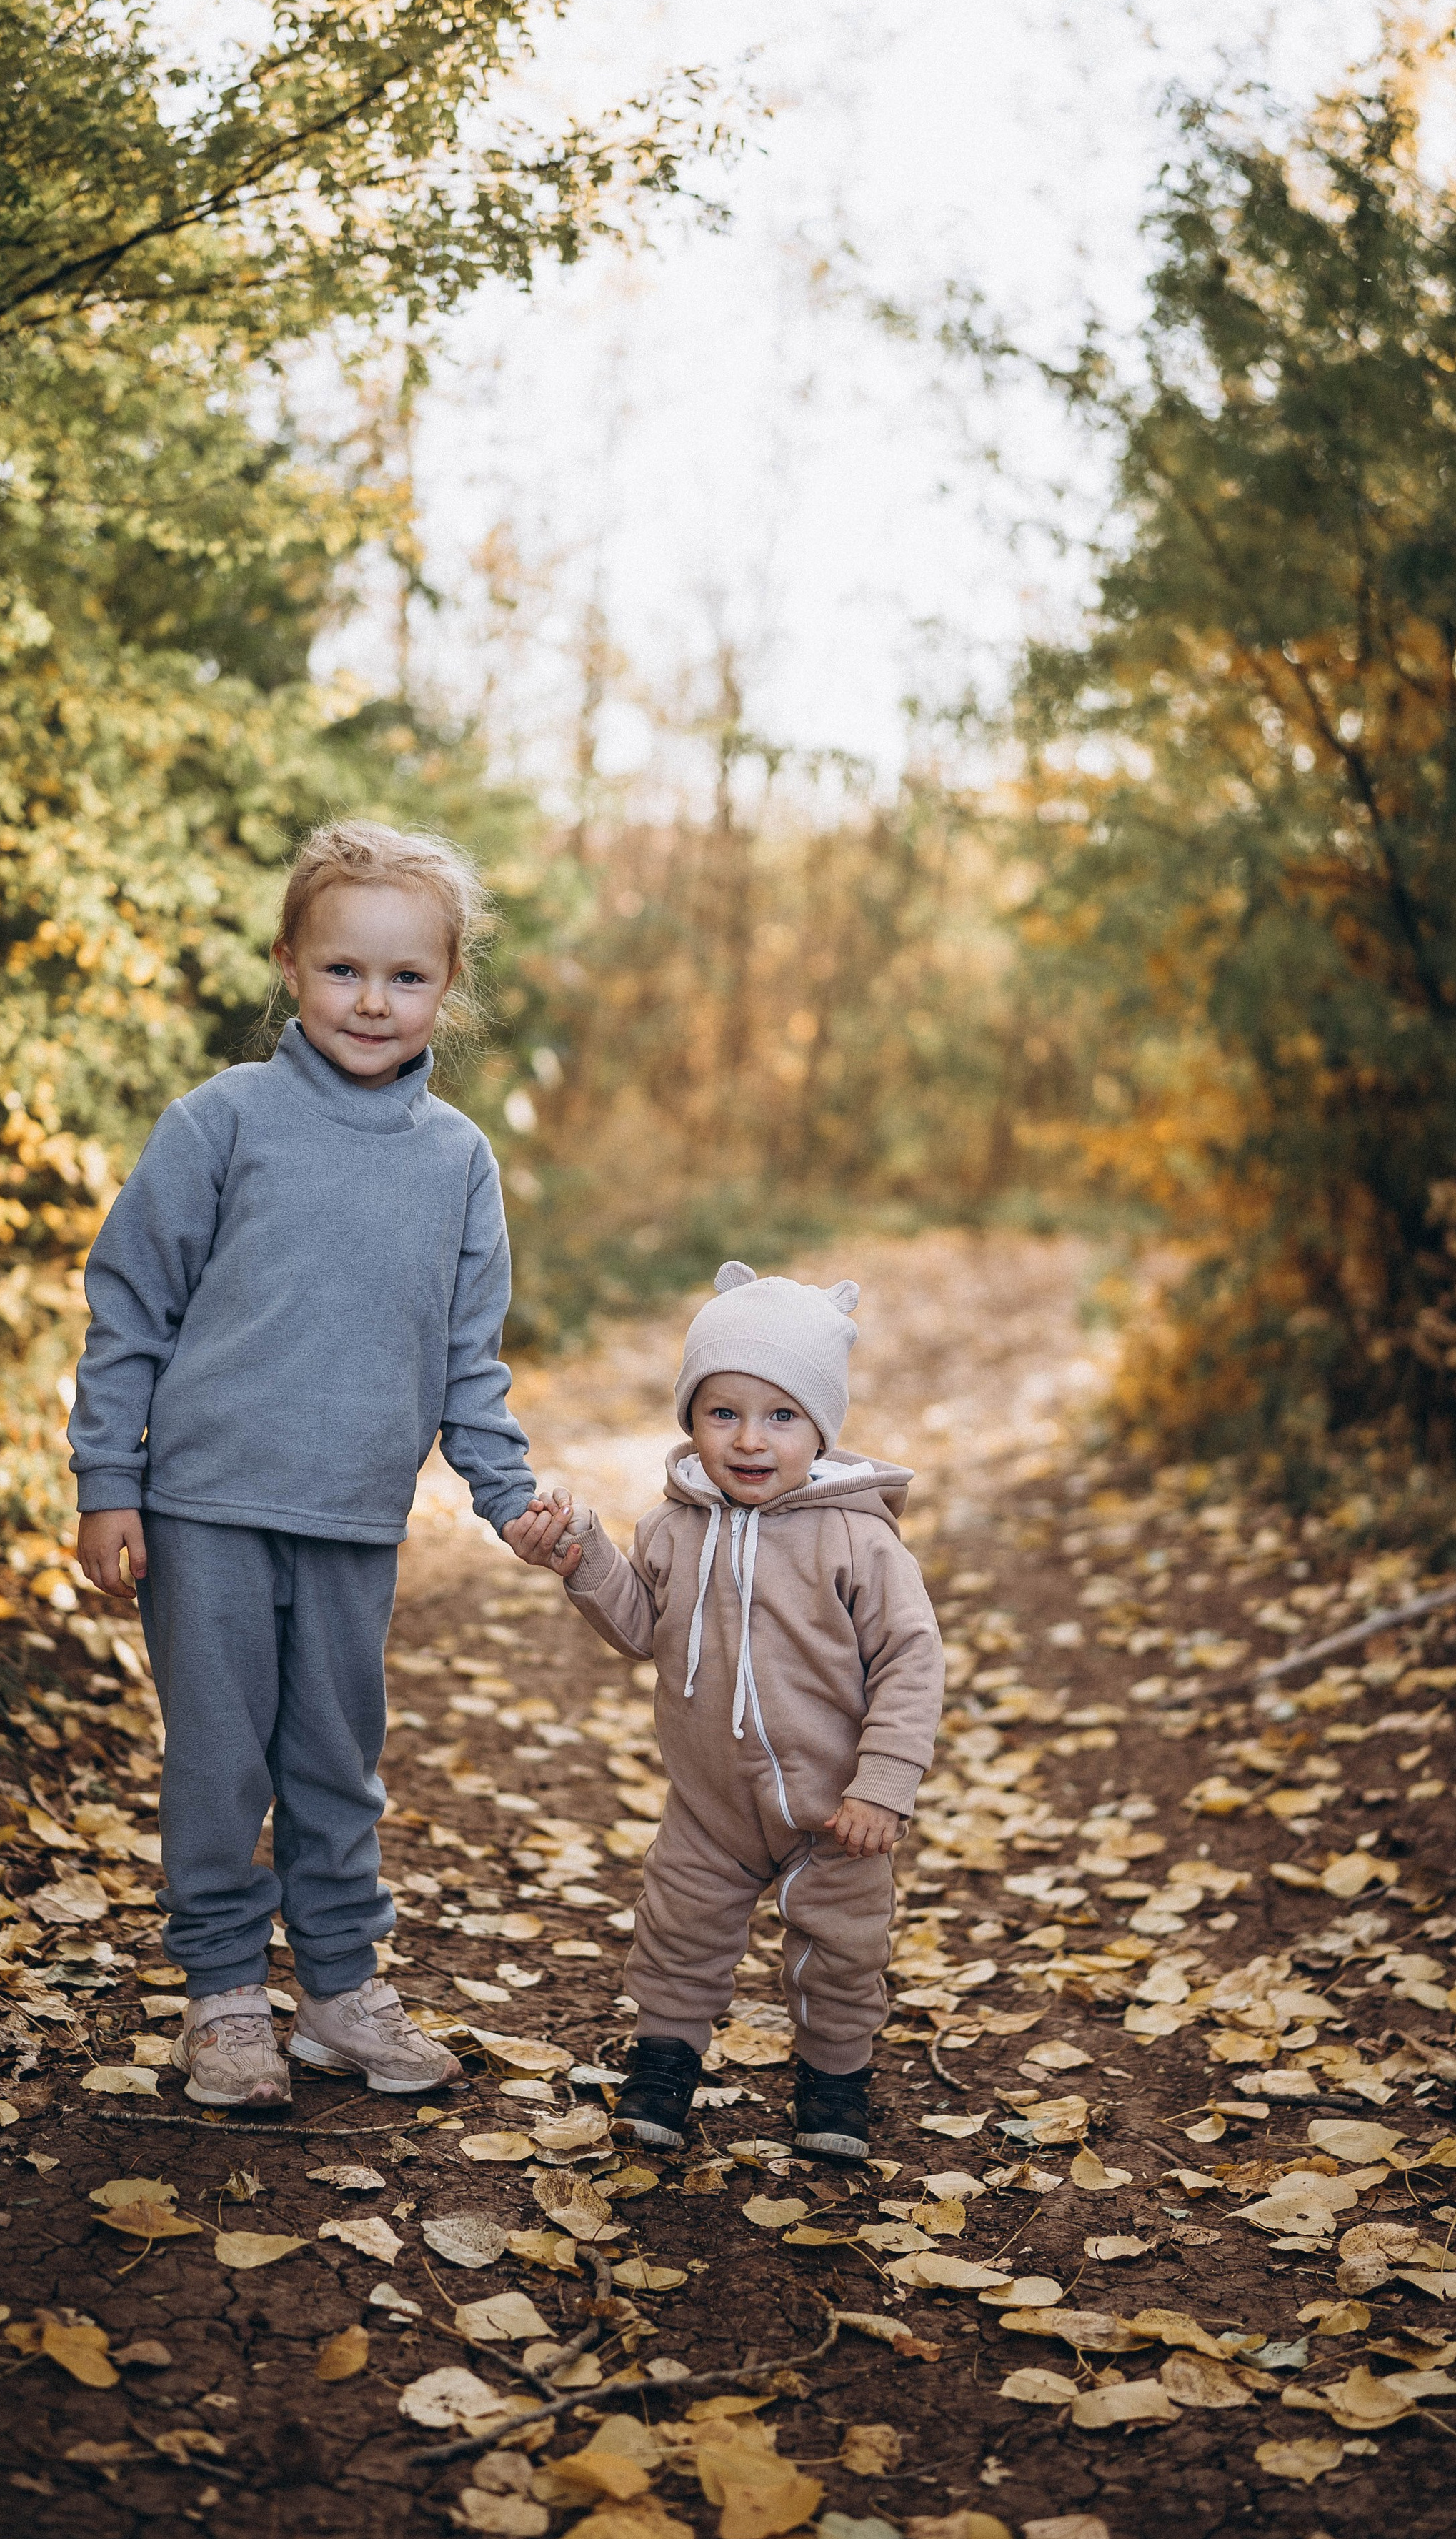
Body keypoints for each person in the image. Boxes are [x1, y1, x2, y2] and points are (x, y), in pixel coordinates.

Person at [68, 818, 547, 2108]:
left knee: (337, 1762)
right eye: (344, 969)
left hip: (351, 1520)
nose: (373, 1001)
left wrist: (510, 1496)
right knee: (219, 1758)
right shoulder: (223, 1122)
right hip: (205, 1510)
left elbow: (467, 1356)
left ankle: (339, 1991)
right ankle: (226, 2001)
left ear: (449, 988)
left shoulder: (457, 1160)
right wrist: (108, 1480)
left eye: (406, 977)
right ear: (290, 963)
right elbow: (133, 1306)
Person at [505, 1262, 944, 2160]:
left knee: (843, 1948)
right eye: (723, 1413)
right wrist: (585, 1560)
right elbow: (641, 1631)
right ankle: (664, 2066)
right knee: (677, 1934)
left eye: (781, 1416)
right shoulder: (672, 1528)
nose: (750, 1440)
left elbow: (911, 1658)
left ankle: (833, 2084)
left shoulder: (857, 1538)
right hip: (708, 1805)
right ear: (692, 1421)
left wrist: (885, 1786)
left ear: (819, 1427)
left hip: (835, 1812)